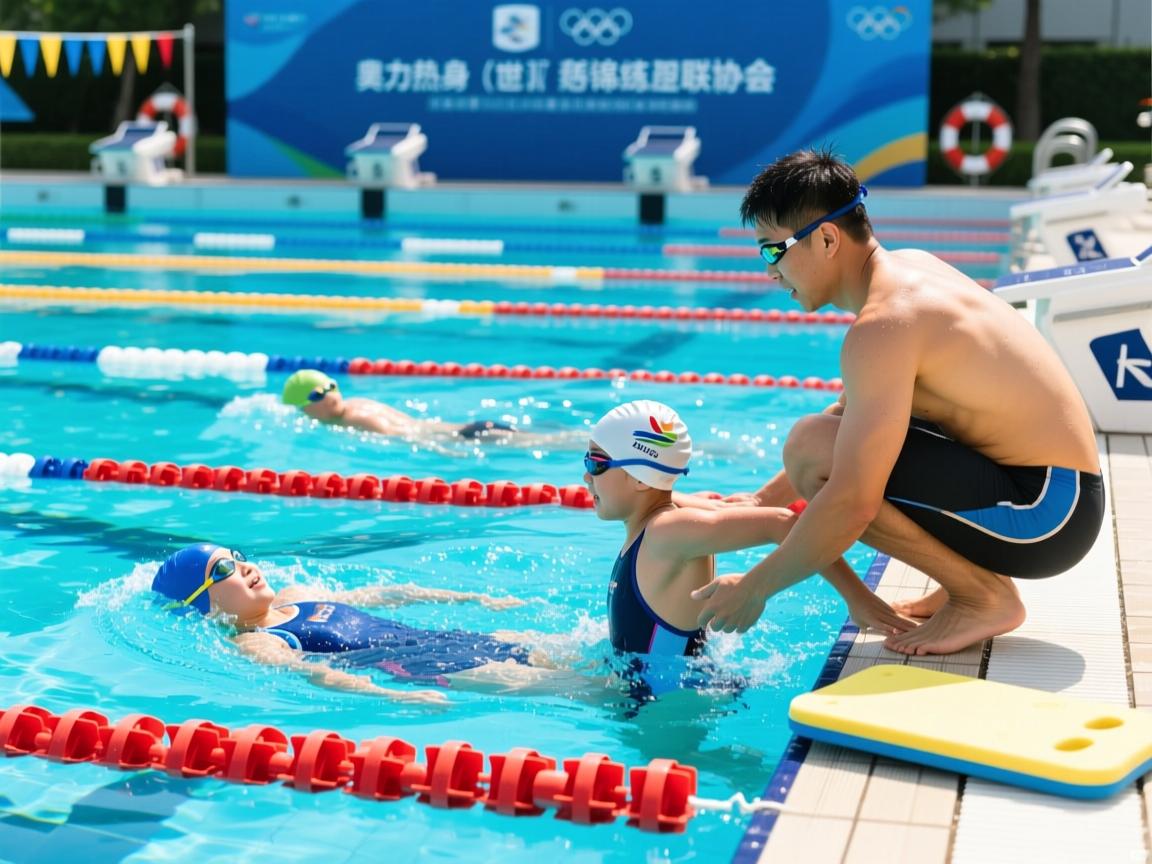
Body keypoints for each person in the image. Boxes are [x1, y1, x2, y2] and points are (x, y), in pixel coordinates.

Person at [691, 149, 1104, 656]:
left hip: (1048, 515)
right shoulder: (910, 270)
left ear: (826, 238)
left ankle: (982, 596)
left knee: (817, 455)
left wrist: (754, 587)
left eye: (773, 251)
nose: (770, 272)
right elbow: (851, 416)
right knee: (819, 445)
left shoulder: (886, 324)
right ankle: (971, 583)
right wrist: (762, 501)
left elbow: (851, 501)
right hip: (1060, 493)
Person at [584, 399, 911, 695]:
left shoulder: (666, 533)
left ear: (641, 479)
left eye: (596, 463)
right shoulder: (670, 514)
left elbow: (783, 522)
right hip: (659, 684)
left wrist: (859, 600)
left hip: (660, 700)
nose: (586, 477)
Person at [150, 543, 573, 704]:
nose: (244, 567)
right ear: (205, 606)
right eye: (223, 568)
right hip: (440, 670)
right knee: (588, 691)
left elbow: (381, 594)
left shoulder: (295, 597)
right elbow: (317, 676)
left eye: (238, 557)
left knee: (570, 654)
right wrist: (391, 697)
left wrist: (472, 598)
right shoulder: (256, 642)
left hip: (450, 639)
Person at [281, 369, 517, 440]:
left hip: (467, 435)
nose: (330, 396)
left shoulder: (355, 419)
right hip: (465, 428)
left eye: (329, 387)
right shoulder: (357, 402)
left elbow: (404, 437)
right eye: (318, 394)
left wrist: (446, 451)